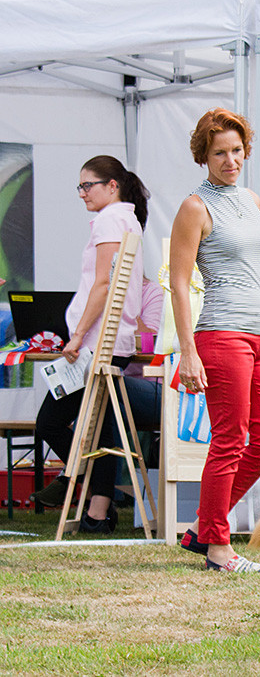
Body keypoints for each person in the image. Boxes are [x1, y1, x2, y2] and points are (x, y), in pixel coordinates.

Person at [169, 107, 260, 573]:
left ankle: (204, 528)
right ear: (203, 157)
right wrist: (187, 351)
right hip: (221, 334)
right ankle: (218, 548)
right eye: (219, 153)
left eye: (237, 150)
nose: (230, 160)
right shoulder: (194, 207)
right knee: (229, 439)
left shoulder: (251, 200)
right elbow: (179, 283)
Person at [30, 155, 149, 534]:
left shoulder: (112, 219)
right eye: (79, 186)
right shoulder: (126, 218)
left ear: (112, 186)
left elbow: (102, 284)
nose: (82, 193)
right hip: (112, 341)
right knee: (99, 428)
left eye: (87, 185)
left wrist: (79, 334)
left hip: (98, 342)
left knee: (50, 421)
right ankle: (99, 510)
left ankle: (79, 478)